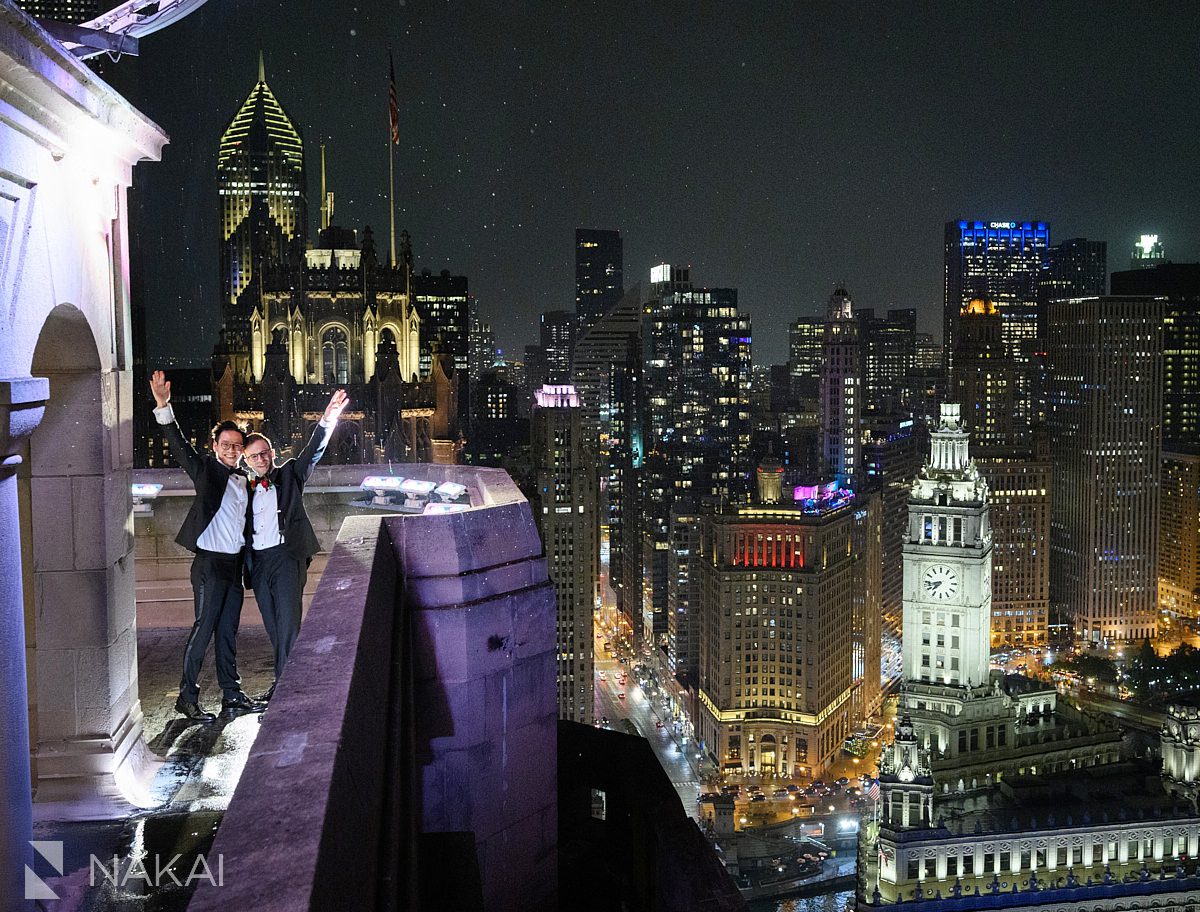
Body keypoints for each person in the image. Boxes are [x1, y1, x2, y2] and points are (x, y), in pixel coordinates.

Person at [150, 370, 261, 722]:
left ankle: (232, 695)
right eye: (225, 445)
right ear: (215, 447)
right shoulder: (206, 470)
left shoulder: (245, 479)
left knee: (228, 631)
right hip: (209, 564)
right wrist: (164, 407)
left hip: (233, 567)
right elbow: (180, 447)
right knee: (203, 630)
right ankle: (187, 696)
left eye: (236, 446)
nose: (231, 450)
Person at [241, 388, 348, 701]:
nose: (260, 460)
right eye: (253, 456)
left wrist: (328, 419)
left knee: (288, 624)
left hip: (287, 558)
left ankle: (287, 689)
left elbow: (312, 452)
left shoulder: (289, 474)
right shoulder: (243, 488)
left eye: (264, 453)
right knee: (274, 627)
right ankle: (285, 680)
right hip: (258, 565)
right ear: (247, 461)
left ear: (273, 453)